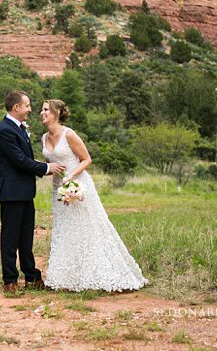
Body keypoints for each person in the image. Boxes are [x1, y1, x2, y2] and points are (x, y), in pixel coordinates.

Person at [40, 99, 148, 292]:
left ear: (56, 113)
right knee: (64, 229)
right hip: (59, 189)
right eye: (42, 109)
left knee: (86, 228)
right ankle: (65, 278)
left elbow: (87, 159)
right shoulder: (44, 138)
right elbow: (52, 164)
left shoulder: (69, 134)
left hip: (79, 186)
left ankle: (97, 273)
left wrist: (72, 176)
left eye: (46, 109)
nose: (42, 112)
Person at [0, 91, 66, 293]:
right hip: (12, 192)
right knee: (10, 238)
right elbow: (20, 160)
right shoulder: (5, 131)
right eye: (27, 105)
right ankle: (10, 280)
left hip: (25, 191)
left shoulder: (17, 127)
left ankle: (32, 276)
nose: (30, 109)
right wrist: (46, 168)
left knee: (26, 236)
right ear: (16, 107)